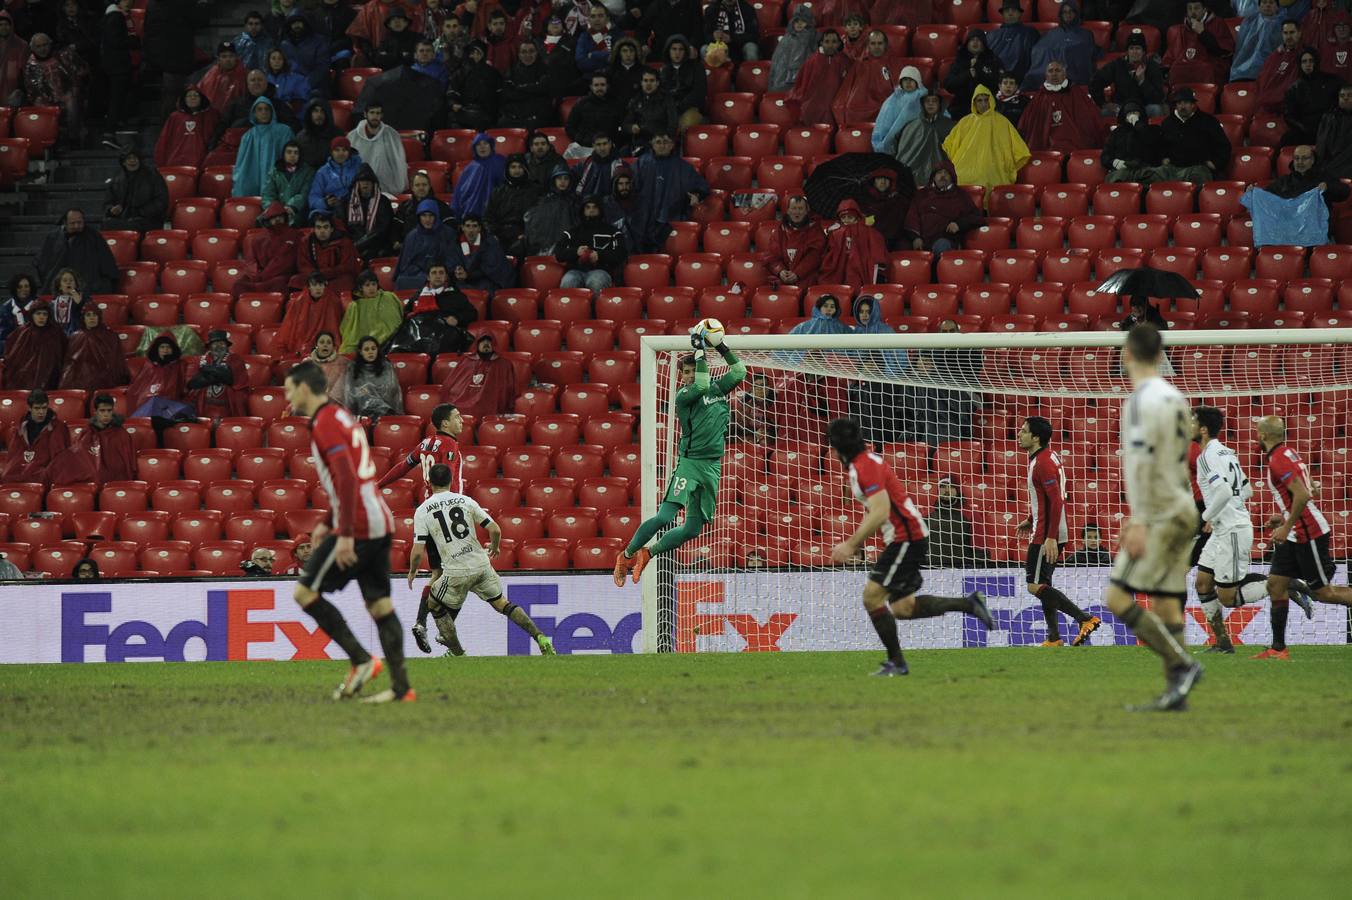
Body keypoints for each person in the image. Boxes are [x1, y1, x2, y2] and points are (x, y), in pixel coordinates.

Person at [825, 417, 994, 676]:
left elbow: (880, 511)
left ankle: (897, 662)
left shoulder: (864, 467)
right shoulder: (865, 463)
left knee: (872, 597)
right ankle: (969, 604)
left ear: (836, 448)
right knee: (903, 609)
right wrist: (860, 544)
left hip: (906, 536)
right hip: (906, 536)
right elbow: (875, 507)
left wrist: (851, 544)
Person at [284, 360, 411, 703]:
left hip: (360, 526)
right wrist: (327, 521)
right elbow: (352, 477)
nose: (287, 395)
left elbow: (346, 477)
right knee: (380, 605)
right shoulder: (340, 417)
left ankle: (361, 661)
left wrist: (343, 533)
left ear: (306, 389)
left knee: (305, 593)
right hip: (378, 519)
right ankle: (401, 689)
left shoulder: (324, 422)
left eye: (289, 388)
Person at [1105, 324, 1204, 711]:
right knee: (1165, 605)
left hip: (1159, 512)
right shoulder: (1175, 397)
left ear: (1126, 353)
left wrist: (1140, 519)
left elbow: (1143, 460)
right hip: (1181, 506)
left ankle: (1183, 664)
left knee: (1115, 596)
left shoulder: (1140, 401)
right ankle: (1175, 694)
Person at [613, 331, 747, 586]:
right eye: (686, 372)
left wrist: (720, 346)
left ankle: (647, 552)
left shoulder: (718, 387)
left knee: (693, 529)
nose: (690, 376)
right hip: (690, 464)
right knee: (665, 517)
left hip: (712, 466)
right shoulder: (684, 397)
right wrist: (699, 353)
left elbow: (739, 371)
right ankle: (626, 554)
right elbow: (701, 385)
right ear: (681, 376)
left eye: (693, 371)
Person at [1190, 406, 1312, 654]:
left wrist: (1208, 515)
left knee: (1228, 598)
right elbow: (1246, 490)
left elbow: (1224, 492)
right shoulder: (1226, 452)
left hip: (1233, 530)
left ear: (1203, 429)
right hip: (1226, 527)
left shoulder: (1206, 457)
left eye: (1192, 421)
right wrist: (1221, 513)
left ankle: (1287, 584)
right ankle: (1223, 643)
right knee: (1203, 582)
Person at [408, 462, 556, 657]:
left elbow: (418, 551)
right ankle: (541, 637)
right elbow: (495, 529)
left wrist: (412, 571)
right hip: (481, 564)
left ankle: (457, 653)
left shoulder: (423, 510)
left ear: (429, 483)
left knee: (434, 604)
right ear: (452, 480)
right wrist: (494, 548)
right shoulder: (465, 501)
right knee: (502, 603)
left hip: (455, 571)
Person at [1255, 414, 1352, 658]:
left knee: (1322, 593)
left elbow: (1303, 495)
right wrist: (1284, 517)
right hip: (1296, 531)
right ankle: (1278, 649)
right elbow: (1311, 489)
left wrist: (1286, 525)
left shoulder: (1278, 459)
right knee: (1276, 584)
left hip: (1307, 532)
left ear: (1263, 435)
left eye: (1258, 431)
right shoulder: (1289, 453)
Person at [378, 402, 464, 645]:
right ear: (445, 423)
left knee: (438, 573)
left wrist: (379, 485)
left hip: (428, 512)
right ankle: (445, 629)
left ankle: (420, 622)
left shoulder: (426, 443)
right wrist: (457, 508)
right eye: (457, 417)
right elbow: (446, 478)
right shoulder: (448, 444)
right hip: (447, 514)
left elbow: (403, 466)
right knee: (466, 572)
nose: (462, 421)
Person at [1014, 417, 1101, 647]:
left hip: (1046, 532)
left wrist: (1050, 537)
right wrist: (1031, 518)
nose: (1019, 434)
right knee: (1044, 584)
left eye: (1024, 431)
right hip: (1047, 526)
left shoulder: (1042, 463)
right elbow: (1047, 497)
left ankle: (1085, 619)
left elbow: (1056, 501)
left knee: (1034, 586)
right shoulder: (1046, 457)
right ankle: (1054, 638)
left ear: (1036, 437)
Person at [943, 85, 1031, 205]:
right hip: (965, 168)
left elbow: (1018, 149)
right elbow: (950, 145)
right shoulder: (965, 122)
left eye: (986, 100)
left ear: (991, 101)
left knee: (993, 179)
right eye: (979, 100)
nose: (983, 104)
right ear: (974, 102)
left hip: (994, 167)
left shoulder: (1002, 122)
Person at [631, 131, 710, 252]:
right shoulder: (641, 163)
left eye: (666, 142)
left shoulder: (683, 167)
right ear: (652, 144)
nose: (662, 146)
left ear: (672, 145)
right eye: (658, 142)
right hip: (644, 218)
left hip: (671, 217)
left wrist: (696, 194)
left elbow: (702, 186)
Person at [1148, 88, 1231, 184]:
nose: (1182, 106)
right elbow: (1160, 145)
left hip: (1197, 166)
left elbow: (1223, 145)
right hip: (1172, 167)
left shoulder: (1208, 121)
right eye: (1179, 103)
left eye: (1186, 103)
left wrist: (1215, 163)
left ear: (1193, 105)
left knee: (1200, 176)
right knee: (1150, 176)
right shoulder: (1168, 123)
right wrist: (1163, 158)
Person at [1019, 60, 1105, 154]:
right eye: (1050, 71)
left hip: (1075, 145)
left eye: (1057, 70)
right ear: (1046, 75)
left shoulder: (1077, 93)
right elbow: (1027, 124)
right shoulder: (1039, 97)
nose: (1054, 74)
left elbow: (1090, 119)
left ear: (1064, 74)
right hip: (1046, 146)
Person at [23, 31, 89, 146]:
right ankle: (50, 140)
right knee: (40, 105)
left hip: (67, 94)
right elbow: (33, 91)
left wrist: (73, 89)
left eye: (45, 45)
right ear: (33, 48)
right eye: (38, 46)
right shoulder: (31, 65)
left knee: (72, 102)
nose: (42, 49)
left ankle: (74, 138)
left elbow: (82, 72)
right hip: (46, 100)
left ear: (50, 44)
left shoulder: (64, 56)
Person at [902, 162, 982, 256]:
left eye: (946, 173)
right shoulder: (921, 194)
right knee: (901, 247)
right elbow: (912, 216)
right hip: (920, 238)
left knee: (941, 246)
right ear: (934, 176)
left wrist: (959, 224)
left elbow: (977, 217)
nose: (943, 176)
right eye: (939, 173)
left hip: (946, 239)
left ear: (952, 177)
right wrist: (915, 237)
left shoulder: (960, 195)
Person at [33, 209, 118, 294]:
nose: (77, 226)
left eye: (79, 222)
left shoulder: (94, 237)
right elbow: (42, 263)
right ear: (65, 223)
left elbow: (107, 264)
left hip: (88, 288)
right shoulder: (53, 238)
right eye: (72, 223)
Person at [556, 195, 626, 297]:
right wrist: (576, 251)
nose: (591, 210)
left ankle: (595, 312)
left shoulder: (613, 232)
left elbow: (621, 254)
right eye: (587, 207)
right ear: (582, 210)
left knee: (596, 281)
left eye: (594, 207)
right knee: (568, 281)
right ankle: (571, 312)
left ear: (600, 210)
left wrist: (600, 255)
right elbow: (558, 254)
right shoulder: (571, 232)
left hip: (601, 270)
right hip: (575, 270)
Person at [1022, 2, 1099, 90]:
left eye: (1071, 11)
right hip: (1048, 70)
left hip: (1075, 74)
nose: (1068, 14)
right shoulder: (1052, 33)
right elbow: (1038, 49)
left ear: (1076, 13)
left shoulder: (1085, 33)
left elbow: (1086, 50)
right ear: (1061, 15)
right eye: (1064, 12)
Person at [230, 202, 299, 300]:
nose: (277, 219)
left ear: (285, 217)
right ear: (268, 220)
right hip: (259, 278)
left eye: (280, 216)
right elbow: (251, 261)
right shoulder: (259, 238)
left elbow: (285, 263)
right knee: (238, 285)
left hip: (279, 277)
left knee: (280, 284)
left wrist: (263, 277)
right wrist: (255, 276)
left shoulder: (294, 236)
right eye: (274, 217)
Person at [1, 389, 70, 485]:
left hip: (42, 475)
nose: (41, 412)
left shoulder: (58, 428)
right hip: (21, 474)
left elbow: (59, 460)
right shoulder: (21, 428)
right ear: (29, 408)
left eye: (44, 408)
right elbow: (13, 457)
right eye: (37, 408)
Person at [1090, 32, 1166, 119]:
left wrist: (1142, 81)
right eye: (1131, 48)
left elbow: (1158, 97)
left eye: (1138, 48)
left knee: (1156, 109)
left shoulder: (1152, 67)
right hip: (1121, 107)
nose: (1134, 52)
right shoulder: (1117, 65)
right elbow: (1095, 82)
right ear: (1127, 51)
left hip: (1144, 107)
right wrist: (1103, 103)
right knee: (1105, 112)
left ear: (1143, 51)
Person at [232, 96, 296, 198]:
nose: (264, 112)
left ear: (272, 112)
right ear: (254, 113)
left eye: (267, 109)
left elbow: (291, 159)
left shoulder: (284, 131)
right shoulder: (248, 136)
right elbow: (241, 165)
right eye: (260, 109)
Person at [832, 29, 896, 127]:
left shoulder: (893, 63)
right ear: (868, 45)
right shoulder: (859, 65)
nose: (876, 47)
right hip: (861, 106)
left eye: (880, 43)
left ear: (885, 45)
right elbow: (846, 91)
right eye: (873, 43)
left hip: (886, 104)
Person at [1163, 1, 1235, 88]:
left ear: (1204, 9)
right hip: (1186, 68)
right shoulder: (1181, 30)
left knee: (1207, 70)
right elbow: (1170, 58)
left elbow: (1223, 51)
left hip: (1209, 68)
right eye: (1190, 8)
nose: (1193, 12)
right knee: (1175, 70)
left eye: (1196, 8)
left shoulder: (1218, 23)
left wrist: (1203, 33)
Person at [277, 271, 348, 359]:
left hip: (326, 341)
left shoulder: (334, 302)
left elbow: (335, 329)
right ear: (309, 287)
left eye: (320, 285)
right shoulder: (298, 302)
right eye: (314, 285)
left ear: (325, 286)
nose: (318, 288)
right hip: (302, 343)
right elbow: (291, 328)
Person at [761, 195, 824, 288]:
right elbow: (772, 256)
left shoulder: (815, 231)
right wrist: (780, 271)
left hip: (808, 280)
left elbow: (815, 256)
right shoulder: (780, 231)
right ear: (788, 211)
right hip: (783, 280)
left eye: (800, 208)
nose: (797, 212)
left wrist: (798, 273)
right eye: (794, 208)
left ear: (807, 211)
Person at [819, 198, 887, 285]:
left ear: (857, 217)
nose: (846, 220)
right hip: (839, 268)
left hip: (859, 267)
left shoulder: (868, 231)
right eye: (843, 217)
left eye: (850, 217)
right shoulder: (834, 232)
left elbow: (877, 249)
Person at [59, 307, 128, 392]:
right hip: (81, 383)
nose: (92, 318)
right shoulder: (75, 337)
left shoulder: (110, 337)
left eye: (94, 315)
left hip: (104, 382)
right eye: (88, 315)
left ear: (99, 317)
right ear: (83, 318)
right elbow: (70, 365)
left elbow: (116, 361)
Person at [788, 29, 849, 126]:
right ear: (821, 43)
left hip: (837, 103)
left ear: (838, 43)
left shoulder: (844, 60)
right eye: (827, 42)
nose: (830, 45)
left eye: (834, 42)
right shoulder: (812, 61)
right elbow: (803, 85)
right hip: (814, 103)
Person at [346, 101, 408, 193]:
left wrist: (399, 186)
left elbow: (398, 163)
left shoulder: (392, 135)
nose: (375, 116)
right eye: (372, 112)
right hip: (359, 189)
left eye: (378, 113)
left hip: (386, 188)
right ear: (365, 114)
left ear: (382, 115)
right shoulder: (352, 136)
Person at [1, 302, 66, 390]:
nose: (41, 317)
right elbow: (12, 358)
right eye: (38, 313)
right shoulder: (21, 332)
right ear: (32, 315)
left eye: (44, 314)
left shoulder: (57, 333)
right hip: (24, 378)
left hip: (50, 378)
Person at [484, 153, 540, 254]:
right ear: (507, 169)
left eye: (520, 167)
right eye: (513, 167)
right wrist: (494, 235)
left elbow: (539, 217)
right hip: (501, 235)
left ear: (525, 169)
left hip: (525, 237)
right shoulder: (498, 191)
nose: (516, 170)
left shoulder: (535, 190)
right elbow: (489, 218)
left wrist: (526, 235)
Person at [186, 330, 249, 420]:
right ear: (210, 346)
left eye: (222, 343)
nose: (219, 346)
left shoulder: (236, 359)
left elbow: (232, 379)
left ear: (227, 346)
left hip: (227, 404)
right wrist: (219, 374)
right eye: (215, 343)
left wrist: (208, 372)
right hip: (204, 403)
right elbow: (192, 383)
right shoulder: (199, 360)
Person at [926, 477, 989, 568]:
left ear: (958, 490)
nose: (947, 490)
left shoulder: (970, 514)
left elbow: (980, 547)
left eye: (951, 487)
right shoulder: (928, 514)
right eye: (943, 486)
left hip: (962, 571)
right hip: (933, 571)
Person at [394, 199, 457, 289]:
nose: (427, 219)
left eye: (431, 215)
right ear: (419, 217)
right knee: (402, 280)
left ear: (436, 216)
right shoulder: (412, 236)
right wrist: (425, 274)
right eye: (424, 215)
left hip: (441, 274)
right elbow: (405, 265)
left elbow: (452, 258)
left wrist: (438, 273)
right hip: (419, 275)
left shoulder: (447, 233)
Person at [892, 94, 954, 185]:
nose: (930, 104)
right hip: (915, 177)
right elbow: (904, 154)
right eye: (927, 101)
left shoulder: (950, 125)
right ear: (922, 104)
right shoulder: (912, 126)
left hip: (942, 177)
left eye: (934, 101)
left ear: (940, 104)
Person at [289, 213, 359, 293]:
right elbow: (302, 265)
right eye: (318, 227)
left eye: (325, 227)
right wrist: (315, 275)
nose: (322, 231)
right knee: (295, 280)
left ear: (332, 229)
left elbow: (347, 266)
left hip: (335, 278)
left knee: (347, 281)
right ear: (314, 229)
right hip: (313, 278)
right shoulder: (306, 242)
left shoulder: (344, 242)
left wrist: (325, 273)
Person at [1284, 49, 1340, 146]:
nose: (1308, 64)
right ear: (1300, 65)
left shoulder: (1331, 81)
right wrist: (1304, 128)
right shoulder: (1294, 89)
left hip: (1329, 127)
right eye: (1304, 61)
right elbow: (1289, 116)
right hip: (1305, 130)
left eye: (1311, 61)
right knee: (1287, 139)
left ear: (1316, 62)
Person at [339, 270, 403, 353]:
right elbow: (347, 329)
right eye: (367, 285)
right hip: (362, 344)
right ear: (360, 287)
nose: (371, 288)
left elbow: (396, 322)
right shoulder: (355, 305)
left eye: (374, 284)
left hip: (390, 340)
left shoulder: (388, 298)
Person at [450, 213, 516, 294]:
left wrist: (468, 275)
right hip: (464, 281)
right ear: (462, 228)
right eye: (468, 226)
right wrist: (457, 271)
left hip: (487, 280)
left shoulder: (490, 243)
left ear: (479, 228)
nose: (471, 230)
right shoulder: (455, 243)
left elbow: (491, 270)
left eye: (474, 226)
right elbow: (451, 262)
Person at [445, 39, 501, 131]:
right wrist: (453, 103)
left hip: (487, 114)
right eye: (472, 53)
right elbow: (452, 92)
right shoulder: (460, 73)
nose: (475, 56)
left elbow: (499, 95)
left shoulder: (493, 73)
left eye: (478, 53)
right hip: (463, 112)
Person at [524, 165, 581, 255]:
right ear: (554, 180)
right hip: (544, 248)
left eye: (566, 178)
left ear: (570, 181)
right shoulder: (544, 201)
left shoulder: (575, 202)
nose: (562, 182)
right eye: (559, 178)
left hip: (567, 248)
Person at [343, 335, 403, 418]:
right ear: (360, 351)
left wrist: (370, 393)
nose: (370, 352)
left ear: (377, 350)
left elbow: (392, 389)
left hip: (386, 410)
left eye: (373, 349)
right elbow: (350, 393)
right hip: (361, 412)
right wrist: (364, 393)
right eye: (366, 349)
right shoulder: (353, 367)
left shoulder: (386, 366)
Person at [344, 164, 396, 261]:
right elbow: (343, 227)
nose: (365, 184)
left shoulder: (383, 201)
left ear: (374, 184)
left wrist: (358, 245)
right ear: (357, 183)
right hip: (352, 244)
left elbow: (382, 229)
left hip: (377, 245)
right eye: (362, 181)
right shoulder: (346, 202)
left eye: (368, 181)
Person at [565, 71, 624, 156]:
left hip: (607, 148)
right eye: (596, 85)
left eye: (602, 85)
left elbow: (621, 127)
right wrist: (581, 139)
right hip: (583, 147)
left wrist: (611, 142)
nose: (599, 88)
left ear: (607, 86)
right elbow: (569, 126)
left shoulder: (615, 104)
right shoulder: (581, 103)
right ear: (591, 87)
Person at [944, 30, 1001, 118]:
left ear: (984, 44)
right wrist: (968, 74)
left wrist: (978, 71)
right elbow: (949, 85)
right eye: (972, 40)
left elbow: (997, 84)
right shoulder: (959, 61)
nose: (975, 42)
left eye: (978, 40)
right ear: (967, 43)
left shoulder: (993, 60)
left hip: (986, 104)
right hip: (962, 104)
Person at [498, 40, 553, 130]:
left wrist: (519, 88)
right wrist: (533, 88)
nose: (528, 55)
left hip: (537, 117)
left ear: (536, 53)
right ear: (519, 55)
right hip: (515, 116)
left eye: (531, 51)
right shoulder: (512, 71)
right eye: (524, 52)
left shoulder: (545, 69)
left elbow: (544, 89)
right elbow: (508, 94)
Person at [128, 332, 187, 414]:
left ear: (173, 349)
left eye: (168, 347)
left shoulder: (179, 365)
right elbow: (139, 388)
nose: (165, 350)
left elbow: (182, 388)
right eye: (162, 347)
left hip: (170, 405)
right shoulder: (149, 366)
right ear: (157, 349)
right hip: (147, 404)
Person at [1102, 101, 1161, 183]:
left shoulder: (1152, 129)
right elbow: (1105, 155)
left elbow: (1152, 143)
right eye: (1129, 113)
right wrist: (1114, 162)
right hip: (1123, 168)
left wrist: (1138, 124)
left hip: (1144, 169)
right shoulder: (1116, 133)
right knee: (1116, 178)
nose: (1132, 115)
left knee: (1158, 176)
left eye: (1135, 112)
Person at [871, 66, 925, 154]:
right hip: (896, 138)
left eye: (911, 80)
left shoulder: (923, 96)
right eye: (905, 80)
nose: (908, 83)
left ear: (917, 82)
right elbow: (884, 120)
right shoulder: (894, 98)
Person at [452, 132, 507, 219]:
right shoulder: (470, 168)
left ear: (490, 145)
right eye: (478, 144)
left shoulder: (501, 162)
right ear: (474, 148)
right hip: (473, 216)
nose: (482, 147)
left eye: (485, 143)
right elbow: (460, 193)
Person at [1257, 20, 1306, 115]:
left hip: (1290, 109)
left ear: (1299, 33)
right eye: (1285, 33)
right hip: (1266, 105)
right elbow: (1262, 80)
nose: (1288, 36)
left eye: (1292, 32)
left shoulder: (1305, 55)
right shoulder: (1274, 57)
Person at [262, 141, 316, 227]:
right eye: (289, 152)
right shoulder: (275, 171)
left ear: (299, 155)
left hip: (298, 213)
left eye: (296, 153)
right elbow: (268, 194)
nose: (292, 155)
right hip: (275, 214)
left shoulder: (308, 172)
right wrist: (272, 209)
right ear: (284, 154)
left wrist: (291, 207)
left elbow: (304, 193)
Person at [308, 136, 363, 218]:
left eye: (344, 150)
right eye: (337, 150)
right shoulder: (322, 172)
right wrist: (325, 203)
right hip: (332, 211)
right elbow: (313, 198)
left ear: (349, 152)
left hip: (355, 207)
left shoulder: (358, 167)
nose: (341, 153)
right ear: (331, 152)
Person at [622, 70, 678, 150]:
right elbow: (625, 125)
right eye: (645, 81)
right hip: (642, 141)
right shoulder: (636, 100)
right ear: (641, 83)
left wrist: (666, 138)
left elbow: (673, 123)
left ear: (657, 83)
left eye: (652, 80)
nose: (648, 83)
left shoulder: (667, 99)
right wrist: (631, 127)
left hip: (661, 140)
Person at [1231, 0, 1286, 82]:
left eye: (1271, 3)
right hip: (1242, 72)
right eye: (1264, 2)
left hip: (1271, 72)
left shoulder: (1284, 24)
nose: (1267, 5)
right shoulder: (1248, 22)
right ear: (1259, 6)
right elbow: (1241, 49)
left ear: (1277, 7)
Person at [660, 34, 706, 131]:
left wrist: (679, 106)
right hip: (669, 109)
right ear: (668, 51)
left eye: (681, 49)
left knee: (685, 124)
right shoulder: (664, 70)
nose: (677, 53)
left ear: (686, 51)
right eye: (674, 49)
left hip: (690, 108)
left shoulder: (697, 68)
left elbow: (699, 93)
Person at [394, 171, 454, 245]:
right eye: (417, 185)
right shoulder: (404, 207)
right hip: (408, 248)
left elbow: (450, 228)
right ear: (412, 188)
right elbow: (395, 228)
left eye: (424, 185)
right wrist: (396, 242)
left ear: (429, 186)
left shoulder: (441, 206)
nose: (421, 188)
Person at [986, 0, 1038, 84]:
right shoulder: (991, 35)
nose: (1010, 13)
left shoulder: (1030, 33)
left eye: (1013, 10)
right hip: (996, 81)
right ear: (1002, 14)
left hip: (1022, 80)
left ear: (1020, 13)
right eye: (1007, 11)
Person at [769, 5, 816, 93]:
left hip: (801, 82)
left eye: (803, 21)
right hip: (781, 80)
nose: (799, 24)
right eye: (796, 21)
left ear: (808, 23)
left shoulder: (812, 38)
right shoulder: (786, 39)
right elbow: (776, 63)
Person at [195, 42, 248, 113]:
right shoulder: (211, 74)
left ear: (236, 57)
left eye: (231, 56)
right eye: (224, 56)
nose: (228, 59)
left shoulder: (244, 74)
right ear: (218, 59)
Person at [294, 99, 343, 170]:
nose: (319, 115)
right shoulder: (301, 137)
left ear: (327, 114)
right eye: (315, 111)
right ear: (309, 114)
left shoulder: (337, 135)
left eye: (322, 111)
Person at [1317, 83, 1352, 178]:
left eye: (1349, 95)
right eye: (1342, 96)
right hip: (1329, 163)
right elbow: (1321, 143)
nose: (1345, 98)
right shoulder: (1328, 117)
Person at [575, 4, 617, 75]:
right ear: (589, 20)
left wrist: (593, 55)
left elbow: (618, 59)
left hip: (613, 77)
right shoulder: (584, 36)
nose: (597, 19)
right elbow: (580, 61)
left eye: (600, 16)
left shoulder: (617, 33)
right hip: (589, 78)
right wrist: (605, 60)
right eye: (593, 16)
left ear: (607, 19)